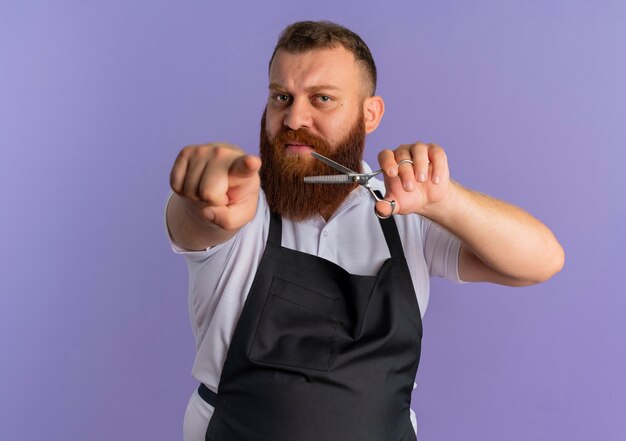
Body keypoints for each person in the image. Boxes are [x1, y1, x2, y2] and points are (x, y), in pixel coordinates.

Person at [166, 20, 564, 441]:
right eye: (282, 97)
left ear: (369, 114)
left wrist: (445, 201)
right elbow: (193, 219)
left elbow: (541, 262)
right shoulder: (241, 205)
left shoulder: (406, 211)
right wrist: (201, 194)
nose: (294, 117)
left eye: (322, 99)